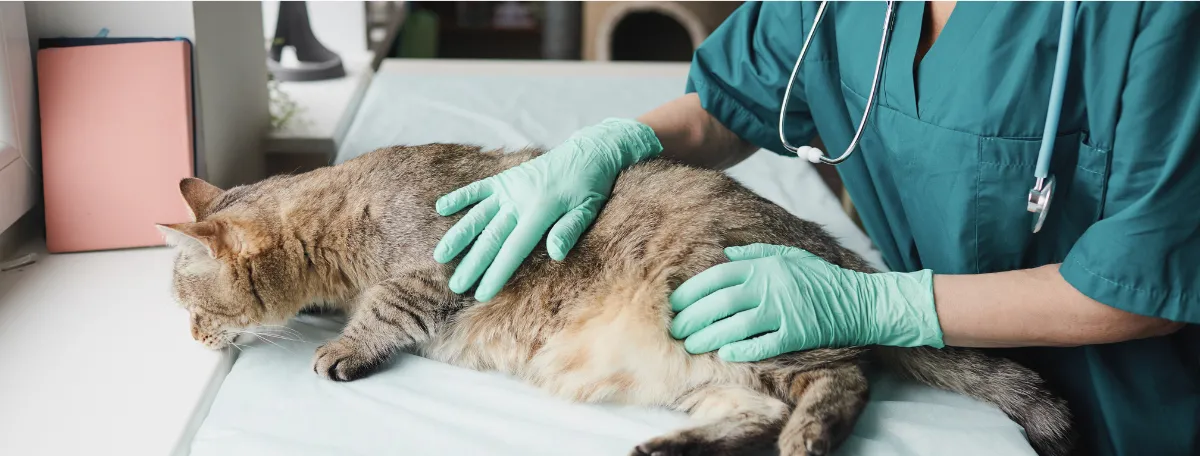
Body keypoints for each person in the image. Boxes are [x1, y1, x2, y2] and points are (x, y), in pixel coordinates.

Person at [431, 2, 1199, 455]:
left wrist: (879, 308)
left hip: (1126, 410)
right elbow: (732, 100)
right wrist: (607, 147)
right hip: (942, 384)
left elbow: (1143, 286)